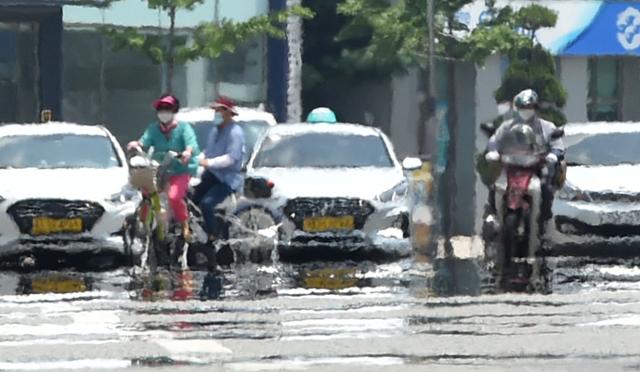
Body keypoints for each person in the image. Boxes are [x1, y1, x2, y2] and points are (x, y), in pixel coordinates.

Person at [127, 94, 200, 241]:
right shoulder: (153, 128)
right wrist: (136, 144)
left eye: (167, 108)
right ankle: (143, 225)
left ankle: (185, 226)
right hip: (160, 169)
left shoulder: (184, 128)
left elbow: (190, 143)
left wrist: (187, 152)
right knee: (147, 192)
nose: (164, 112)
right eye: (161, 109)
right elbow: (144, 140)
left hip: (180, 170)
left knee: (174, 196)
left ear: (174, 111)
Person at [485, 89, 565, 222]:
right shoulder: (507, 126)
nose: (526, 110)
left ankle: (543, 225)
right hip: (512, 167)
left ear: (535, 107)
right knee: (496, 186)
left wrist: (553, 154)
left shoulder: (546, 126)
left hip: (537, 168)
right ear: (517, 108)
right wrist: (493, 151)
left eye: (529, 107)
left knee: (546, 189)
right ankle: (493, 216)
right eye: (522, 107)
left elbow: (557, 144)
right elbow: (495, 140)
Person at [192, 97, 246, 243]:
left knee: (207, 203)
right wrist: (196, 159)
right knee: (191, 201)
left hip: (227, 179)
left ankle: (213, 235)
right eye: (215, 111)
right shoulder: (215, 131)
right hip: (211, 175)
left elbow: (231, 158)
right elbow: (208, 151)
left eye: (219, 111)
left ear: (228, 113)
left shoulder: (235, 133)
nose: (216, 113)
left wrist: (208, 162)